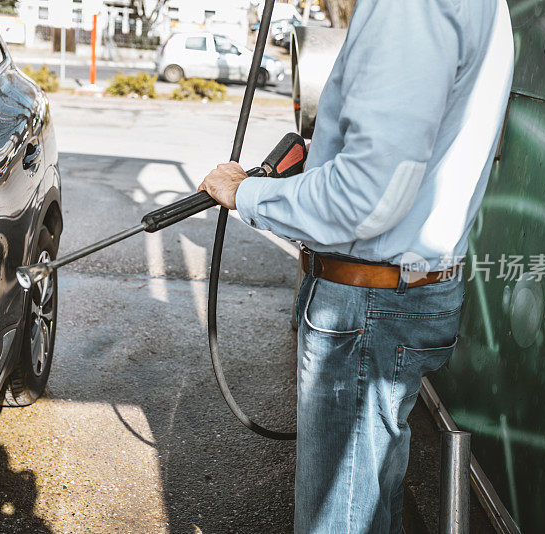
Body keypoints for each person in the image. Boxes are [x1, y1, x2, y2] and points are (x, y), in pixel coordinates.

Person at [198, 0, 514, 532]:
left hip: (369, 304)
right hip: (396, 294)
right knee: (367, 509)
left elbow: (364, 197)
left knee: (338, 522)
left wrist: (247, 194)